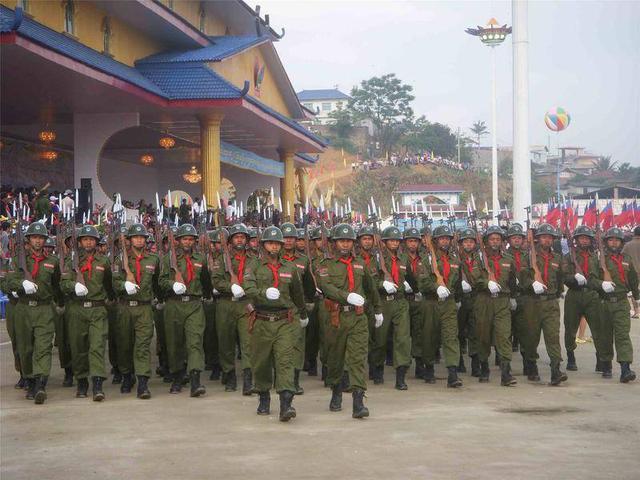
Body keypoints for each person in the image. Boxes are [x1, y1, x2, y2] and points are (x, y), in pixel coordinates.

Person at [316, 224, 382, 419]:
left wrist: (377, 310)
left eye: (348, 241)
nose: (345, 244)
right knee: (335, 359)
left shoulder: (361, 263)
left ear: (353, 243)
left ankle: (358, 402)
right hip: (336, 317)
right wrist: (346, 296)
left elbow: (371, 289)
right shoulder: (325, 264)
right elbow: (326, 287)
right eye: (341, 240)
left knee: (358, 358)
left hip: (358, 317)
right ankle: (336, 392)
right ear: (335, 243)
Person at [243, 226, 308, 421]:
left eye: (277, 244)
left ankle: (286, 403)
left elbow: (298, 294)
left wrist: (303, 314)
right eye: (270, 243)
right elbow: (248, 287)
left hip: (284, 321)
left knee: (285, 361)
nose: (274, 246)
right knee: (261, 362)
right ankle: (263, 396)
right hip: (261, 320)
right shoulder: (253, 266)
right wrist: (263, 293)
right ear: (263, 245)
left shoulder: (290, 268)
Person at [5, 222, 61, 404]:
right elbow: (8, 282)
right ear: (28, 240)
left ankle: (40, 383)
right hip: (23, 308)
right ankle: (29, 379)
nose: (38, 241)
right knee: (25, 348)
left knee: (43, 347)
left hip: (44, 308)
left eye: (41, 238)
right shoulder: (17, 260)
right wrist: (21, 284)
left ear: (45, 240)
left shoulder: (52, 261)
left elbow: (57, 285)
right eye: (34, 237)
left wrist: (61, 303)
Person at [60, 224, 115, 401]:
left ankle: (97, 383)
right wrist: (73, 286)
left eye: (92, 239)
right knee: (79, 347)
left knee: (97, 346)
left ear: (96, 242)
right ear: (80, 242)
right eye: (85, 239)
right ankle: (82, 380)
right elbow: (63, 284)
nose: (89, 242)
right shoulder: (71, 262)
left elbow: (108, 284)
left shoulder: (103, 261)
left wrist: (110, 299)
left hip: (97, 309)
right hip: (77, 309)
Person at [159, 223, 211, 396]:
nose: (188, 242)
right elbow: (161, 282)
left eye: (190, 239)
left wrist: (208, 295)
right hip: (174, 304)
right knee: (175, 343)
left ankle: (195, 380)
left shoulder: (200, 258)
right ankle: (177, 377)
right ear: (178, 241)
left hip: (194, 304)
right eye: (184, 239)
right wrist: (173, 284)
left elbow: (205, 281)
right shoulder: (168, 259)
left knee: (195, 342)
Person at [112, 223, 160, 399]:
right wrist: (124, 284)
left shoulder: (153, 259)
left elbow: (157, 282)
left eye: (142, 237)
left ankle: (143, 382)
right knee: (124, 344)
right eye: (136, 237)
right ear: (130, 240)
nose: (139, 240)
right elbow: (114, 283)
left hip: (144, 308)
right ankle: (126, 376)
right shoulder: (120, 260)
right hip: (125, 307)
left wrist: (160, 299)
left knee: (142, 345)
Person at [467, 226, 517, 386]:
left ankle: (506, 372)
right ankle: (484, 367)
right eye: (492, 239)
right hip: (483, 300)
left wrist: (513, 297)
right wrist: (486, 282)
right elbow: (474, 279)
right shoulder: (478, 259)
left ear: (502, 241)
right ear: (487, 242)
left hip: (502, 301)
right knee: (483, 335)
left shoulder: (508, 259)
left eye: (498, 239)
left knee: (504, 335)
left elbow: (512, 280)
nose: (495, 242)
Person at [210, 224, 257, 394]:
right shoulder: (222, 259)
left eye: (242, 237)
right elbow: (215, 280)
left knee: (248, 342)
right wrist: (231, 286)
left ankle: (248, 379)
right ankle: (229, 375)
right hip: (226, 304)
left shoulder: (254, 259)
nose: (240, 240)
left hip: (246, 303)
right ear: (231, 240)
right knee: (226, 341)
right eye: (236, 237)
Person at [523, 224, 568, 385]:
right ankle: (531, 365)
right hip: (532, 303)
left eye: (549, 237)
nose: (547, 239)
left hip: (550, 303)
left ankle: (556, 369)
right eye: (544, 236)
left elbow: (561, 277)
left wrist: (559, 291)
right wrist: (531, 284)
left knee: (553, 337)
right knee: (532, 337)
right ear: (538, 238)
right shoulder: (528, 256)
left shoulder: (557, 257)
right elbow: (521, 277)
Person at [420, 225, 463, 388]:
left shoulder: (454, 260)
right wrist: (436, 287)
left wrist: (457, 298)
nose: (444, 241)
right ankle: (429, 367)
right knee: (429, 336)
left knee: (451, 336)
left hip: (449, 303)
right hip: (431, 302)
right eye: (441, 238)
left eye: (447, 238)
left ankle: (453, 373)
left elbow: (457, 281)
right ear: (436, 241)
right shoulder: (427, 259)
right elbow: (422, 282)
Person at [371, 226, 412, 390]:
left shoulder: (403, 258)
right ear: (385, 242)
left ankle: (401, 376)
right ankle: (378, 370)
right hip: (383, 301)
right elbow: (369, 281)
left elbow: (408, 276)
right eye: (391, 240)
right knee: (380, 339)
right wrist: (382, 284)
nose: (394, 243)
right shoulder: (376, 259)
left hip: (401, 302)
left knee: (402, 339)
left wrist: (409, 285)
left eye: (396, 240)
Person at [598, 227, 639, 383]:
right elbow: (591, 280)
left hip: (622, 302)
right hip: (604, 302)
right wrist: (602, 284)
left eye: (617, 240)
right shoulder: (600, 259)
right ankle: (606, 364)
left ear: (621, 242)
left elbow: (633, 280)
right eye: (611, 239)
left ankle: (625, 369)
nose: (614, 242)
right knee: (605, 336)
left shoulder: (626, 258)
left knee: (622, 336)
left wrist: (637, 297)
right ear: (606, 242)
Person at [279, 222, 316, 395]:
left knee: (297, 345)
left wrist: (306, 306)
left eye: (291, 238)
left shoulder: (303, 260)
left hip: (295, 308)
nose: (288, 241)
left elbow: (308, 286)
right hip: (276, 308)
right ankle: (279, 379)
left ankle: (294, 380)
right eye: (285, 238)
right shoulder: (272, 258)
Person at [561, 226, 602, 372]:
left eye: (586, 238)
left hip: (593, 295)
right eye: (581, 238)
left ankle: (600, 359)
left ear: (591, 240)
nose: (584, 240)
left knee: (598, 328)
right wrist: (573, 278)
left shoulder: (597, 256)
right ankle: (571, 356)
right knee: (570, 327)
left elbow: (602, 274)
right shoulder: (568, 256)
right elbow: (563, 276)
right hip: (574, 294)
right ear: (576, 240)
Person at [402, 227, 427, 379]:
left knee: (419, 333)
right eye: (410, 241)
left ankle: (419, 364)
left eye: (415, 241)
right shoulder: (399, 258)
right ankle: (403, 365)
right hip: (404, 299)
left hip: (419, 299)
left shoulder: (424, 258)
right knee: (403, 335)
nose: (413, 244)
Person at [621, 225, 640, 318]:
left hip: (632, 272)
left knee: (633, 291)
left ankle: (636, 311)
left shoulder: (628, 245)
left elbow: (622, 258)